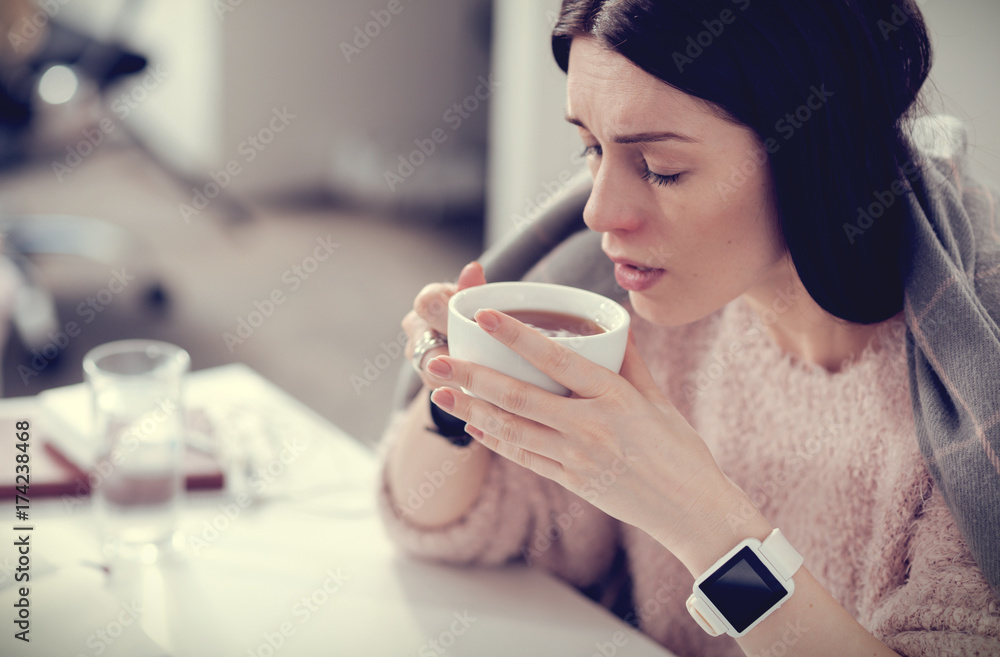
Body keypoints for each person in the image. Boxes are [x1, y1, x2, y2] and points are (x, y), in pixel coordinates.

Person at [377, 1, 1000, 655]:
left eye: (661, 169)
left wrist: (693, 515)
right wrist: (457, 393)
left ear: (815, 152)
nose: (598, 211)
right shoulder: (652, 314)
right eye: (591, 148)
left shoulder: (968, 401)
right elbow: (439, 521)